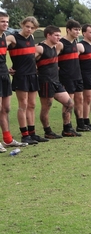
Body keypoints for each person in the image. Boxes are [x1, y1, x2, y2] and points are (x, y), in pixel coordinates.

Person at [8, 16, 46, 144]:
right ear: (22, 25)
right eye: (27, 26)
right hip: (21, 76)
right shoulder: (12, 38)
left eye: (32, 28)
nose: (29, 30)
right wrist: (6, 68)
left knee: (32, 105)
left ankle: (32, 133)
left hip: (32, 75)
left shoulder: (32, 38)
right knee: (23, 105)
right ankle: (25, 135)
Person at [35, 25, 77, 139]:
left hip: (56, 81)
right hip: (45, 82)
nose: (59, 37)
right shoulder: (40, 48)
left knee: (69, 103)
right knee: (46, 107)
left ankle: (67, 129)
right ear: (48, 35)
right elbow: (28, 62)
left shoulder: (56, 47)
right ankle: (48, 131)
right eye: (56, 35)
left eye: (59, 35)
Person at [0, 11, 28, 150]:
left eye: (6, 21)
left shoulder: (5, 37)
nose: (5, 24)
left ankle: (8, 139)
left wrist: (9, 69)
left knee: (5, 109)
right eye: (2, 21)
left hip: (4, 74)